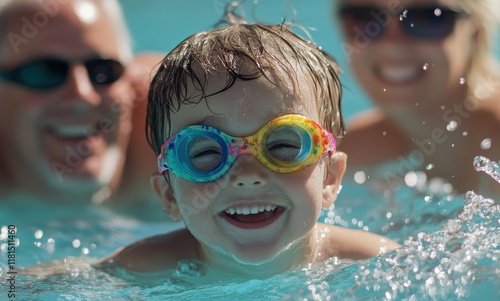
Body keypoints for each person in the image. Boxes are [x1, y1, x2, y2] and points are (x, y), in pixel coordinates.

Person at [101, 20, 400, 278]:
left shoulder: (375, 263)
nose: (246, 175)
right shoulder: (140, 268)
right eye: (206, 153)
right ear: (169, 195)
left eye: (283, 145)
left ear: (331, 179)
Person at [0, 0, 164, 220]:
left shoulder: (176, 116)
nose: (82, 96)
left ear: (128, 79)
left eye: (103, 70)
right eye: (45, 71)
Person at [333, 0, 500, 198]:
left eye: (426, 18)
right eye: (364, 18)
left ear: (475, 33)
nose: (392, 44)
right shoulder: (351, 152)